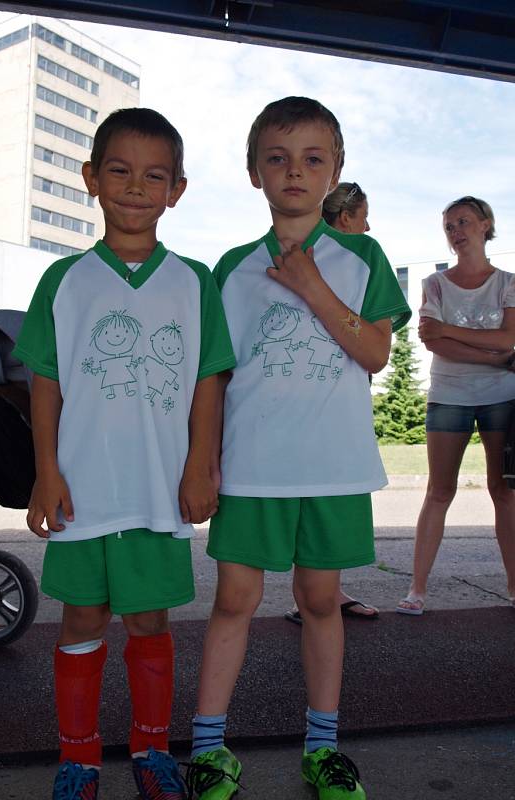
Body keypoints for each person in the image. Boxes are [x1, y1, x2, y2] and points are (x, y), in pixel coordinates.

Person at [186, 97, 411, 800]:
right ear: (255, 172)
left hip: (333, 467)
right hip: (253, 466)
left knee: (321, 598)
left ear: (334, 169)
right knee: (235, 599)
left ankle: (323, 746)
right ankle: (208, 747)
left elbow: (375, 353)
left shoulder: (362, 256)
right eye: (278, 158)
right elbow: (214, 376)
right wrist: (203, 461)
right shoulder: (231, 267)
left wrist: (312, 286)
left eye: (313, 158)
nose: (295, 171)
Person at [13, 108, 235, 800]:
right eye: (120, 171)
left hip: (156, 489)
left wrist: (201, 466)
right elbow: (43, 384)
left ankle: (151, 750)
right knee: (80, 619)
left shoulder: (195, 282)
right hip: (81, 486)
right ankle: (77, 759)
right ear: (91, 179)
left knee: (149, 620)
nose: (136, 187)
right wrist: (46, 473)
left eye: (155, 176)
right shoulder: (63, 280)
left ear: (177, 190)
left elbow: (208, 380)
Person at [397, 196, 515, 616]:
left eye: (463, 222)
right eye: (449, 226)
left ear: (485, 225)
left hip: (502, 397)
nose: (455, 232)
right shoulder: (434, 284)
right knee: (439, 491)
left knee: (504, 491)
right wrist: (491, 356)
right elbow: (433, 340)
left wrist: (452, 332)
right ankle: (416, 590)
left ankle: (514, 587)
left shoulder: (507, 282)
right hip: (448, 395)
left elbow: (509, 339)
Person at [285, 181, 379, 625]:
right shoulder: (356, 256)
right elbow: (375, 354)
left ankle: (322, 596)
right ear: (345, 219)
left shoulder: (359, 262)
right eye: (363, 216)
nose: (368, 226)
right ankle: (320, 597)